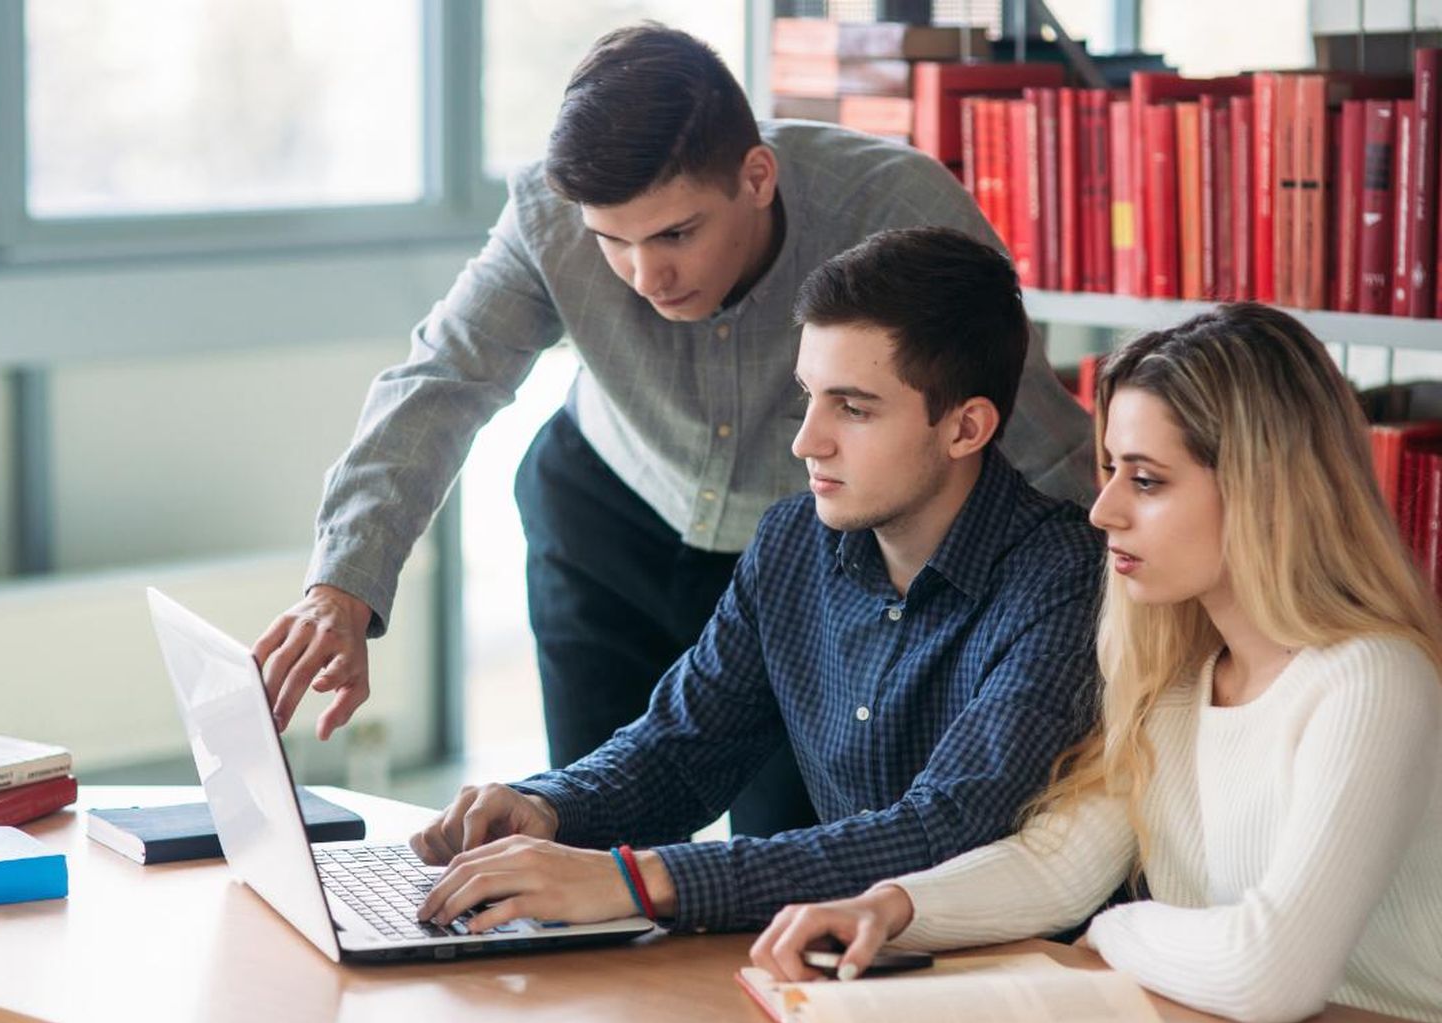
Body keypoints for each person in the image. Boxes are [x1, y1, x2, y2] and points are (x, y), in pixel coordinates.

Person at [250, 24, 1095, 838]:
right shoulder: (547, 215)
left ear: (756, 176)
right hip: (606, 524)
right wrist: (342, 586)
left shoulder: (896, 209)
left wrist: (1123, 617)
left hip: (798, 561)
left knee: (786, 850)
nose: (645, 275)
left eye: (676, 234)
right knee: (579, 822)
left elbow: (1030, 431)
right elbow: (442, 380)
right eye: (611, 242)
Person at [748, 302, 1442, 1023]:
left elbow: (1270, 975)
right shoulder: (1180, 680)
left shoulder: (1371, 679)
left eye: (1146, 481)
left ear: (1264, 492)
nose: (1102, 510)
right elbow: (1057, 864)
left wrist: (1117, 929)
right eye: (1109, 471)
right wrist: (887, 907)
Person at [405, 227, 1103, 936]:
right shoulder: (793, 542)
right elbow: (682, 750)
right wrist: (547, 806)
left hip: (1017, 975)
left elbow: (944, 833)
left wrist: (638, 880)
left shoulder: (1067, 580)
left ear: (965, 429)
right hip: (846, 964)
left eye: (853, 408)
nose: (806, 441)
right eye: (809, 397)